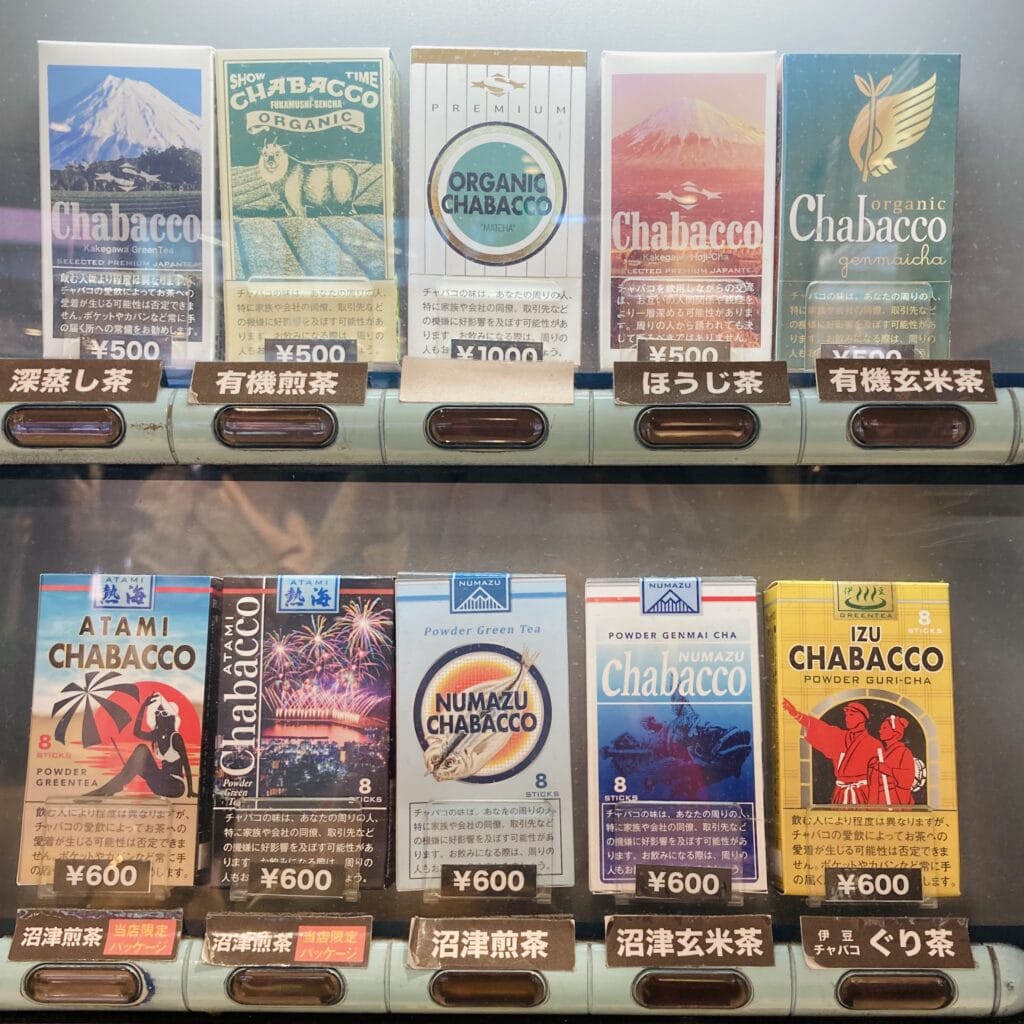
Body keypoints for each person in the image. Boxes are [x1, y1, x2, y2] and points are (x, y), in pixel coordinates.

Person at [90, 693, 195, 799]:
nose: (159, 715)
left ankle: (113, 786)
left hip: (175, 786)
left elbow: (186, 764)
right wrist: (143, 707)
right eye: (157, 712)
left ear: (170, 717)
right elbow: (137, 732)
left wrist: (190, 791)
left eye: (164, 713)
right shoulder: (157, 735)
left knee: (140, 754)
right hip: (161, 783)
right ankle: (114, 785)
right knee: (140, 754)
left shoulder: (175, 737)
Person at [781, 698, 883, 805]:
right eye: (846, 715)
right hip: (841, 793)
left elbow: (879, 779)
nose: (847, 719)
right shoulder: (839, 737)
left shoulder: (874, 745)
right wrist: (796, 714)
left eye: (851, 715)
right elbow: (818, 727)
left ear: (862, 718)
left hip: (863, 794)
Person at [866, 714, 917, 805]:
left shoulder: (904, 752)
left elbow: (908, 779)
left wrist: (887, 770)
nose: (880, 731)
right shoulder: (881, 755)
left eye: (884, 728)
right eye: (881, 728)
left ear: (896, 733)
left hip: (894, 799)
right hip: (879, 799)